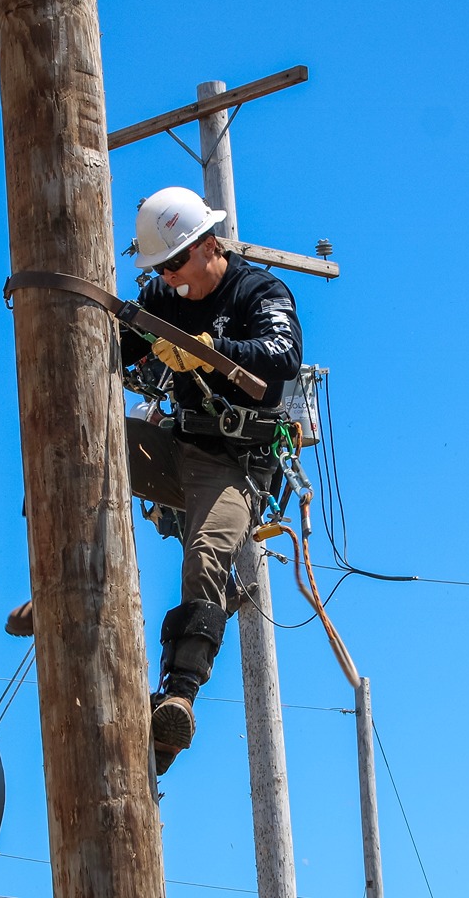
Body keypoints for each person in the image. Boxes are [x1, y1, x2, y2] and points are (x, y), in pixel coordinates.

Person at [121, 186, 303, 774]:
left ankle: (178, 698)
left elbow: (282, 355)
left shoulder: (259, 291)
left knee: (206, 554)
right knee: (89, 448)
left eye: (175, 262)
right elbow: (116, 344)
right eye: (161, 268)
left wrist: (213, 350)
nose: (169, 277)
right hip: (178, 444)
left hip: (234, 460)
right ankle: (53, 580)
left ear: (207, 245)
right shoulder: (162, 296)